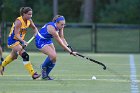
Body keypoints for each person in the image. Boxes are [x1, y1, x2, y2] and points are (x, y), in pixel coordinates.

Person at [0, 7, 41, 79]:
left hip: (19, 40)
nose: (30, 16)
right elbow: (16, 34)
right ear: (23, 14)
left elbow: (34, 28)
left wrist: (35, 33)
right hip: (13, 40)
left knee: (13, 57)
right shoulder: (18, 21)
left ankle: (1, 65)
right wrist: (23, 41)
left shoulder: (29, 20)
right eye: (28, 14)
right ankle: (33, 74)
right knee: (25, 55)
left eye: (31, 14)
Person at [35, 15, 77, 80]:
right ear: (57, 23)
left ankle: (45, 76)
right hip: (40, 41)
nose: (63, 26)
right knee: (53, 55)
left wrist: (69, 47)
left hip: (48, 40)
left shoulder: (60, 26)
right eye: (62, 24)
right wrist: (70, 52)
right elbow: (60, 43)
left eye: (64, 24)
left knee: (54, 58)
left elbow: (62, 38)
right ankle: (43, 67)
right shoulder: (52, 29)